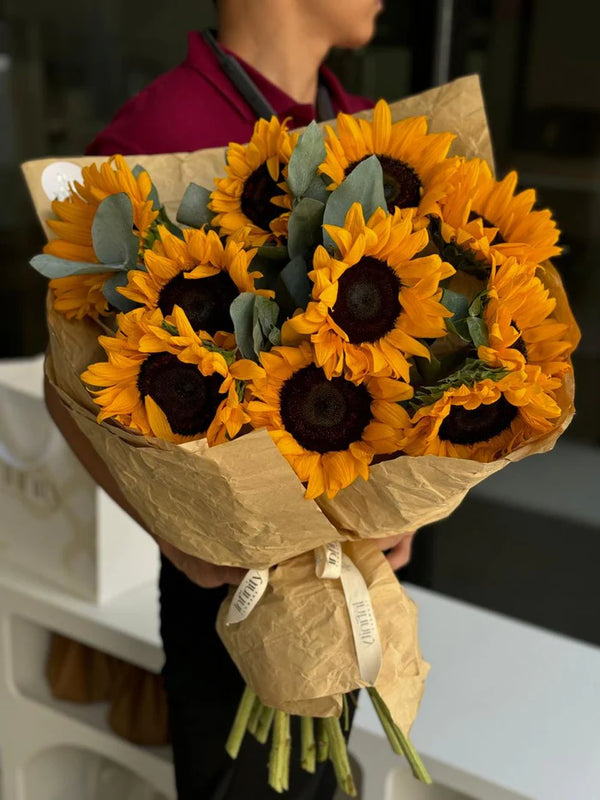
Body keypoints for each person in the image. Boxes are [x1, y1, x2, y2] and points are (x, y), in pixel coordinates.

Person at [47, 1, 415, 797]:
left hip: (351, 568)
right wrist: (174, 532)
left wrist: (406, 499)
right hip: (223, 579)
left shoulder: (366, 128)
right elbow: (70, 386)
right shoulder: (159, 131)